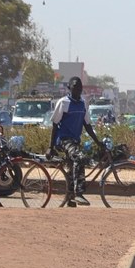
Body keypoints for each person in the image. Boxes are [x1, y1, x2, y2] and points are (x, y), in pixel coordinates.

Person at [47, 77, 105, 207]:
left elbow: (87, 125)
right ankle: (78, 193)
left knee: (72, 167)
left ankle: (70, 198)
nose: (77, 90)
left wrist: (98, 142)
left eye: (79, 88)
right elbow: (55, 125)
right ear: (69, 88)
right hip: (63, 139)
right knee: (79, 158)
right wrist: (50, 147)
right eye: (74, 87)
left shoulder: (83, 103)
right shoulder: (63, 103)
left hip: (75, 140)